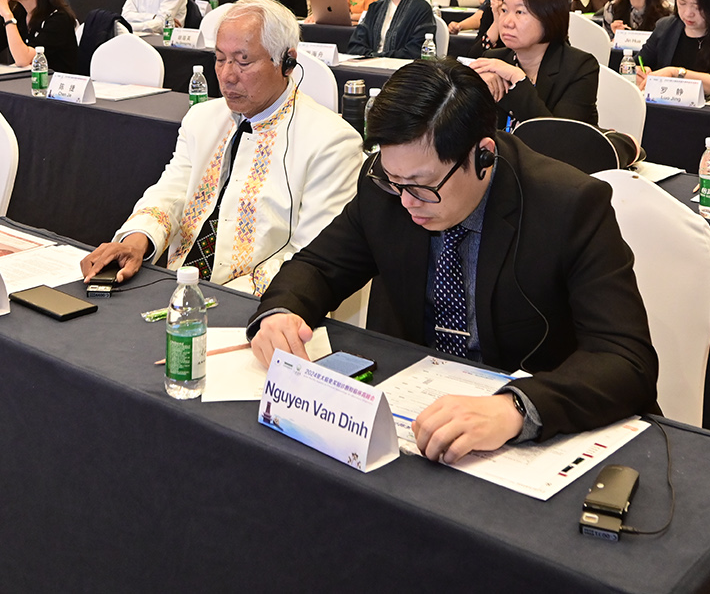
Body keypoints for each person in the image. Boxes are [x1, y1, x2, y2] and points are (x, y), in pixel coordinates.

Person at [249, 60, 658, 458]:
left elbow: (625, 360)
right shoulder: (387, 185)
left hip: (523, 432)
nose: (406, 201)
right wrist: (282, 313)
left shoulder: (568, 205)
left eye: (422, 185)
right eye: (395, 181)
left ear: (483, 156)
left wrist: (515, 408)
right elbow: (318, 266)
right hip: (413, 409)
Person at [80, 0, 363, 294]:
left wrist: (225, 298)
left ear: (287, 62)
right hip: (179, 288)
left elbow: (312, 258)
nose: (227, 76)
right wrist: (136, 240)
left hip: (259, 303)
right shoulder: (202, 118)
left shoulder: (331, 142)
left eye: (243, 62)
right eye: (219, 59)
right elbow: (172, 192)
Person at [469, 0, 599, 125]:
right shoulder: (495, 59)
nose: (506, 22)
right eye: (504, 10)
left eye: (520, 12)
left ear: (549, 17)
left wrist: (518, 79)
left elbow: (559, 135)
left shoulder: (579, 67)